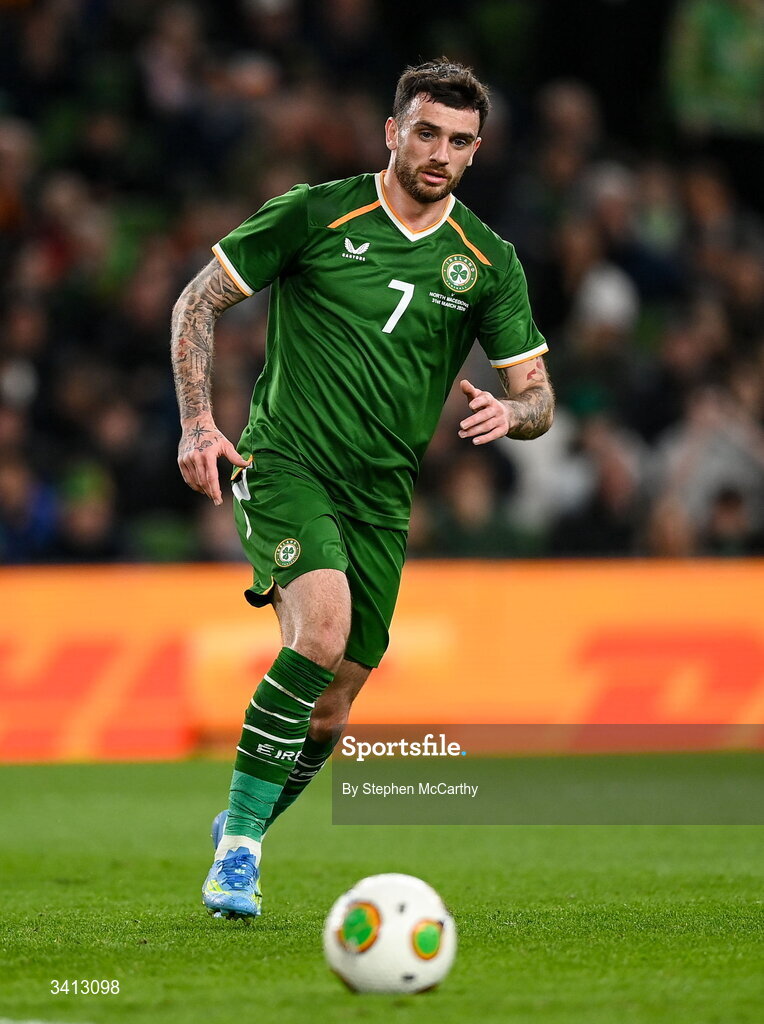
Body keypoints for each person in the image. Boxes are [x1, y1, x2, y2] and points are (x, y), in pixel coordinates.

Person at [170, 59, 554, 920]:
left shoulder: (487, 261)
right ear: (393, 131)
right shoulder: (317, 211)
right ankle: (237, 853)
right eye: (426, 132)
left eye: (459, 142)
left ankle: (244, 819)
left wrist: (515, 413)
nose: (439, 152)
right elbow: (198, 302)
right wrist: (199, 424)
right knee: (320, 633)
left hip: (383, 498)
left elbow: (539, 395)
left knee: (334, 707)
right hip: (287, 463)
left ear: (476, 151)